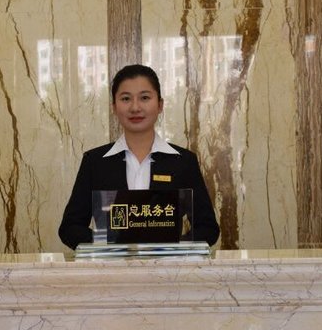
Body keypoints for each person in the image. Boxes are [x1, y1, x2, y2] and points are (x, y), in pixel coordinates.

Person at [58, 64, 220, 249]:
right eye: (126, 99)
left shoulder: (183, 162)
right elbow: (70, 228)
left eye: (144, 98)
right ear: (114, 107)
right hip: (112, 266)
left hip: (168, 266)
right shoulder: (95, 162)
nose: (135, 107)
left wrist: (170, 250)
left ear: (160, 105)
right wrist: (110, 247)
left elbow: (207, 228)